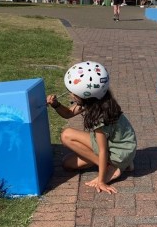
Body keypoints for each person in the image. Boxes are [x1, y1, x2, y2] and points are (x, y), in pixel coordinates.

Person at [46, 61, 136, 194]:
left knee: (66, 135)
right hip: (122, 148)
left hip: (118, 150)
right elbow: (68, 114)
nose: (70, 94)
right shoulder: (97, 100)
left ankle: (112, 167)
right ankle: (123, 163)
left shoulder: (100, 116)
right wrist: (56, 105)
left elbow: (103, 150)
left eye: (73, 93)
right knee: (67, 164)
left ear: (84, 95)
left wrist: (102, 181)